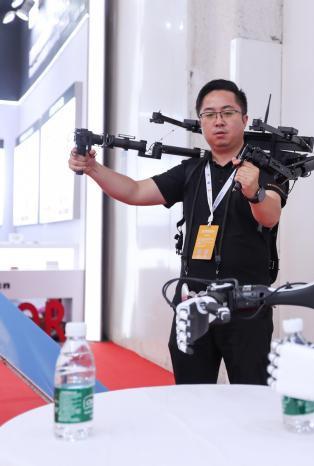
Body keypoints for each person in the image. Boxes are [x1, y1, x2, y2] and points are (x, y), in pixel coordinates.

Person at [68, 79, 285, 384]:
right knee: (190, 394)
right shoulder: (192, 170)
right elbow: (135, 191)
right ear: (201, 122)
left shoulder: (265, 169)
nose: (219, 120)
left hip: (247, 307)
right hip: (192, 303)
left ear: (244, 119)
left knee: (251, 394)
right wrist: (93, 169)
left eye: (228, 112)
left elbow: (271, 215)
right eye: (209, 114)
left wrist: (255, 193)